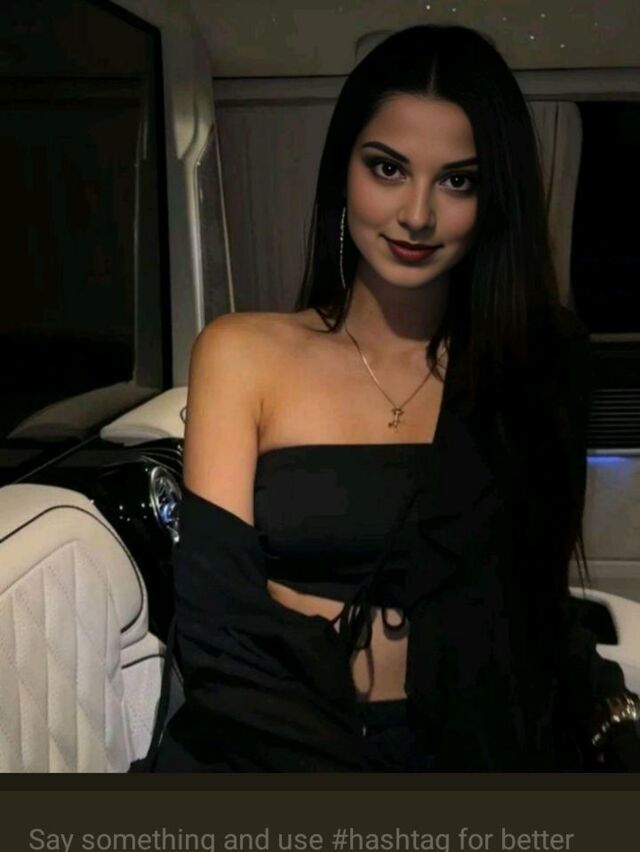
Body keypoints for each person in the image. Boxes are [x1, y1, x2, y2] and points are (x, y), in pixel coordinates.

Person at [147, 24, 640, 772]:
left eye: (458, 181)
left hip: (472, 751)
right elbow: (219, 626)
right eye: (387, 168)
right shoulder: (240, 353)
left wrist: (612, 719)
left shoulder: (537, 362)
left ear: (494, 198)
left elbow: (532, 606)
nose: (417, 214)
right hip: (272, 751)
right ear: (343, 173)